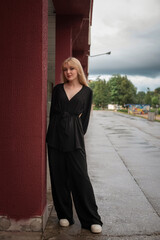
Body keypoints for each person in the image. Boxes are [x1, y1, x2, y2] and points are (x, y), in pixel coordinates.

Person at [46, 57, 103, 233]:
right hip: (55, 137)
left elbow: (84, 120)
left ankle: (91, 219)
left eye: (71, 68)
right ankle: (64, 215)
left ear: (78, 70)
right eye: (65, 69)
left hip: (75, 138)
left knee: (81, 178)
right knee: (58, 177)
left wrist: (75, 134)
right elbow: (53, 113)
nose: (68, 72)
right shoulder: (57, 90)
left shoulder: (87, 91)